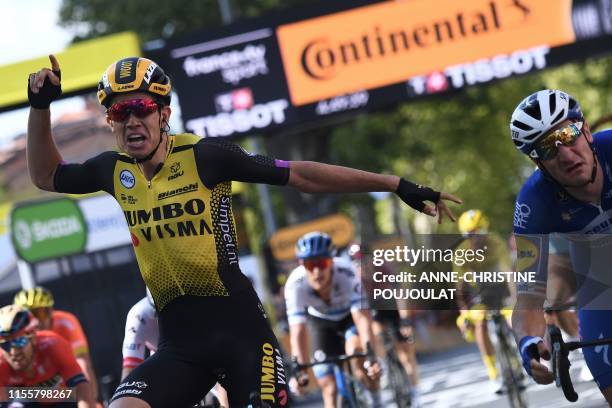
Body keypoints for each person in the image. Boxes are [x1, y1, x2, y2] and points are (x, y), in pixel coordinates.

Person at [26, 54, 460, 408]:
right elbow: (46, 175)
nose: (132, 121)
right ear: (110, 122)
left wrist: (395, 184)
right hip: (181, 347)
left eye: (141, 108)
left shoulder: (206, 157)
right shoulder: (111, 170)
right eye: (120, 111)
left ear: (164, 113)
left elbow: (303, 174)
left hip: (243, 339)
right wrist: (40, 106)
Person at [510, 89, 612, 403]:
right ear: (536, 161)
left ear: (587, 133)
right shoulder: (533, 205)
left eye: (568, 134)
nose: (565, 154)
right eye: (547, 148)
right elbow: (529, 294)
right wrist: (528, 343)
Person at [285, 232, 381, 407]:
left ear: (332, 262)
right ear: (302, 264)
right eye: (310, 264)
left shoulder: (347, 272)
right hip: (321, 323)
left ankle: (376, 399)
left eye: (322, 263)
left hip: (349, 318)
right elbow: (297, 331)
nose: (316, 271)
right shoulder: (295, 285)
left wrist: (371, 356)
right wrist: (299, 371)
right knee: (328, 388)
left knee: (357, 354)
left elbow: (362, 319)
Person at [121, 289, 229, 407]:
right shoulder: (138, 315)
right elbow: (129, 369)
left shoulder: (197, 306)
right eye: (160, 314)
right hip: (163, 360)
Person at [348, 242, 421, 405]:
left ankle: (416, 394)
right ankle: (384, 364)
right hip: (374, 311)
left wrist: (405, 320)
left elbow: (400, 294)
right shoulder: (354, 278)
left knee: (406, 353)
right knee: (375, 334)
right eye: (357, 262)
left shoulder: (384, 268)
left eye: (363, 260)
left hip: (392, 307)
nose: (361, 265)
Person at [454, 210, 513, 392]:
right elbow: (460, 287)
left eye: (478, 233)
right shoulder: (461, 252)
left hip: (502, 289)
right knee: (479, 323)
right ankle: (493, 370)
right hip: (479, 294)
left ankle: (523, 353)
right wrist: (464, 314)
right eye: (470, 235)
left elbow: (508, 273)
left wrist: (516, 299)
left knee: (513, 318)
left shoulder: (496, 242)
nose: (475, 239)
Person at [0, 304, 96, 407]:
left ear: (32, 338)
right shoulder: (1, 363)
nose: (13, 352)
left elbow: (82, 389)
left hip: (62, 399)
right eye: (5, 344)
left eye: (19, 341)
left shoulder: (54, 345)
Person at [14, 286, 99, 401]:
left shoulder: (66, 322)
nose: (37, 321)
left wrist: (90, 398)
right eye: (31, 316)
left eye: (42, 313)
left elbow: (83, 362)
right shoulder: (14, 333)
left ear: (51, 311)